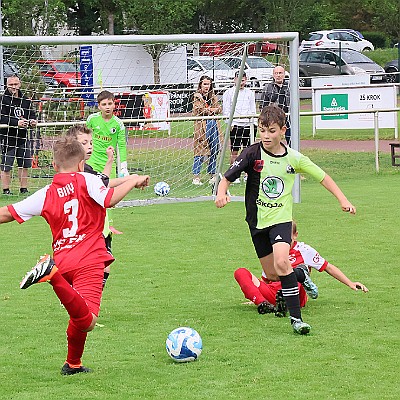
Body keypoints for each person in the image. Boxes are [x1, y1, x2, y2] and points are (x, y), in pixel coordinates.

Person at [0, 136, 150, 375]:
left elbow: (7, 213)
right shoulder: (87, 179)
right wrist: (132, 181)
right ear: (81, 164)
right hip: (89, 259)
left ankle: (73, 363)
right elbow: (109, 199)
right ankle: (51, 275)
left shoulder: (46, 193)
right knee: (88, 321)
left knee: (77, 313)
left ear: (55, 166)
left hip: (64, 258)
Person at [215, 105, 356, 335]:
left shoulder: (294, 158)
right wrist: (222, 193)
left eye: (271, 131)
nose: (266, 136)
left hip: (281, 220)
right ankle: (301, 274)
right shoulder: (252, 153)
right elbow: (227, 178)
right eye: (262, 130)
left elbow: (323, 177)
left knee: (282, 263)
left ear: (283, 130)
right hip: (256, 222)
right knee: (273, 275)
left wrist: (342, 199)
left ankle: (296, 320)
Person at [234, 221, 368, 316]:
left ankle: (285, 301)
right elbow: (266, 280)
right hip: (273, 292)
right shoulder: (272, 252)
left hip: (297, 293)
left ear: (295, 235)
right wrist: (256, 296)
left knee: (297, 273)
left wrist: (350, 283)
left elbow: (328, 267)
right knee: (240, 272)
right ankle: (264, 304)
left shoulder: (304, 250)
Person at [65, 124, 139, 288]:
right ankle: (75, 296)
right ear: (72, 145)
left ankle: (80, 299)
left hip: (96, 226)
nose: (89, 146)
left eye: (90, 142)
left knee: (103, 267)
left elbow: (102, 181)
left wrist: (110, 161)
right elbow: (106, 186)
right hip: (86, 227)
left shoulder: (87, 168)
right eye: (84, 143)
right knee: (97, 266)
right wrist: (132, 180)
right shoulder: (79, 171)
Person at [0, 75, 38, 195]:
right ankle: (6, 190)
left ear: (19, 84)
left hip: (22, 137)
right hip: (7, 138)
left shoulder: (25, 100)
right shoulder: (2, 100)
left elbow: (32, 114)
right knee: (6, 165)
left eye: (15, 84)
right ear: (7, 85)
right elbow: (2, 117)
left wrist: (32, 121)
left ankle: (24, 189)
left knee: (24, 164)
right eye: (11, 85)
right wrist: (16, 122)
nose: (13, 87)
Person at [222, 71, 256, 183]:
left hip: (248, 125)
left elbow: (253, 109)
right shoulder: (228, 93)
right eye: (239, 79)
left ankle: (248, 174)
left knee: (248, 151)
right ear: (234, 80)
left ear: (246, 80)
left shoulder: (250, 93)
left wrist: (254, 123)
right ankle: (234, 174)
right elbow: (226, 110)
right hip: (235, 125)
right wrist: (230, 123)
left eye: (243, 80)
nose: (241, 82)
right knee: (234, 151)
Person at [86, 90, 128, 178]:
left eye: (110, 104)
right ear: (99, 106)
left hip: (109, 162)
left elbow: (122, 146)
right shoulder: (92, 119)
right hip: (92, 161)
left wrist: (124, 166)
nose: (107, 107)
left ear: (114, 105)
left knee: (108, 189)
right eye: (104, 104)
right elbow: (85, 139)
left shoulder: (118, 124)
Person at [192, 76, 222, 186]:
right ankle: (196, 176)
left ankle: (212, 174)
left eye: (208, 84)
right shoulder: (197, 97)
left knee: (214, 149)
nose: (206, 86)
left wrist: (214, 110)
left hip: (214, 124)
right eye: (204, 84)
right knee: (200, 151)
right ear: (200, 84)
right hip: (202, 126)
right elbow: (198, 110)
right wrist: (210, 110)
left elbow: (219, 109)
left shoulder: (213, 96)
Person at [260, 66, 291, 146]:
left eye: (280, 73)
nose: (278, 75)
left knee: (290, 138)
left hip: (288, 117)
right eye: (276, 73)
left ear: (284, 74)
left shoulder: (290, 87)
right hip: (274, 119)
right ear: (273, 75)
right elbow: (263, 105)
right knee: (274, 139)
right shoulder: (268, 87)